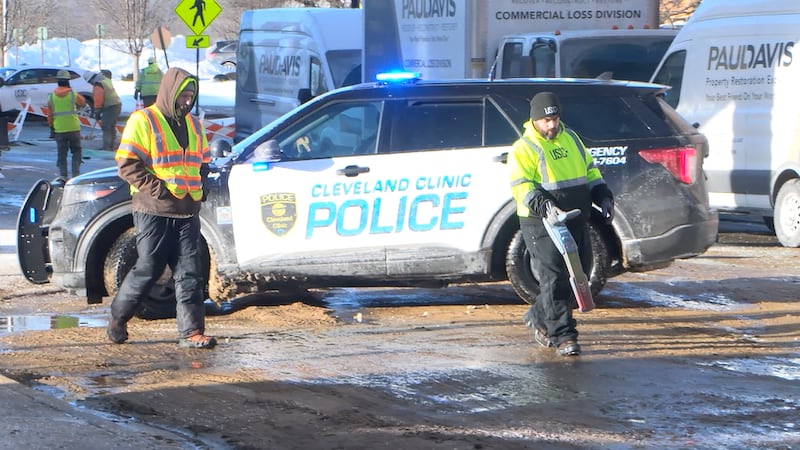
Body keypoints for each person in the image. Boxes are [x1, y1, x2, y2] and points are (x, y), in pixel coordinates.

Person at [107, 67, 216, 349]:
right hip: (153, 211)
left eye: (191, 96)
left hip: (187, 211)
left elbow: (203, 162)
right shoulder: (144, 120)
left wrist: (200, 188)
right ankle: (119, 317)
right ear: (170, 93)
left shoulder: (194, 124)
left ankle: (191, 333)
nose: (187, 102)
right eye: (183, 96)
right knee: (148, 268)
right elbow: (127, 165)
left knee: (190, 273)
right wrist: (160, 190)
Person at [508, 91, 614, 357]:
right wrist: (545, 206)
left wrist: (603, 195)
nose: (552, 125)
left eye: (555, 118)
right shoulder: (524, 148)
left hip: (576, 217)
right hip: (541, 223)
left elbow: (591, 171)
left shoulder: (573, 139)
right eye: (546, 121)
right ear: (534, 121)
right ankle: (563, 335)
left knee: (579, 275)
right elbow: (521, 186)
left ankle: (539, 313)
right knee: (554, 278)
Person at [47, 70, 86, 179]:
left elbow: (50, 115)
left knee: (62, 154)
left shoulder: (51, 97)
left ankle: (63, 175)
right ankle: (75, 174)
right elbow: (83, 103)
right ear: (68, 81)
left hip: (59, 129)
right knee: (76, 151)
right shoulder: (73, 94)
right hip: (73, 128)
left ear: (57, 82)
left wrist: (51, 127)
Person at [84, 71, 122, 151]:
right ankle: (110, 145)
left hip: (111, 106)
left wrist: (97, 110)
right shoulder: (105, 80)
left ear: (91, 79)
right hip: (116, 105)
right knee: (110, 126)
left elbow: (98, 99)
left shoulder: (98, 84)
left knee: (106, 126)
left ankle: (107, 147)